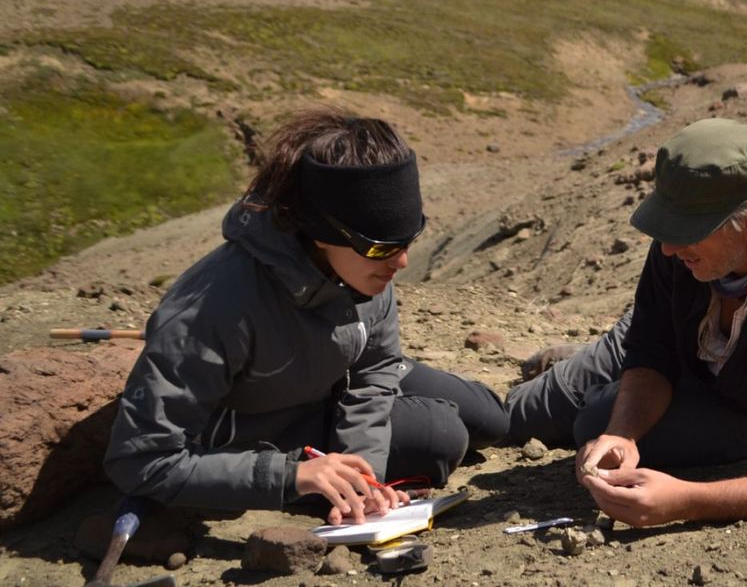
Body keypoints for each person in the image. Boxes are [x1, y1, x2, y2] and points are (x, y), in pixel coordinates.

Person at [104, 110, 509, 525]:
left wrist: (363, 474)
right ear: (320, 230)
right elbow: (140, 460)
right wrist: (293, 475)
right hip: (268, 420)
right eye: (381, 246)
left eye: (409, 239)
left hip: (336, 370)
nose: (401, 262)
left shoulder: (363, 267)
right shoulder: (212, 310)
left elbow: (377, 368)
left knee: (492, 419)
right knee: (442, 434)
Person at [506, 117, 747, 526]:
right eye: (665, 227)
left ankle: (588, 385)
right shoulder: (683, 242)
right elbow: (652, 349)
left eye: (685, 232)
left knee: (592, 420)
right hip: (682, 345)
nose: (666, 248)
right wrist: (624, 434)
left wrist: (688, 501)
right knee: (514, 417)